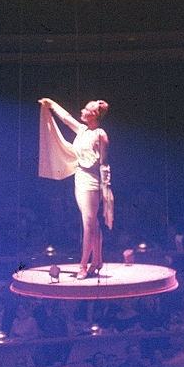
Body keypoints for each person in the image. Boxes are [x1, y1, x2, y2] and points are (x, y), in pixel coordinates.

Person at [38, 98, 113, 278]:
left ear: (94, 115)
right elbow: (66, 118)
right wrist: (51, 104)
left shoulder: (100, 135)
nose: (82, 110)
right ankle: (97, 260)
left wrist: (106, 188)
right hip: (80, 177)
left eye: (87, 109)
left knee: (88, 222)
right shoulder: (82, 130)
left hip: (93, 180)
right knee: (92, 222)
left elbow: (104, 164)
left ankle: (83, 265)